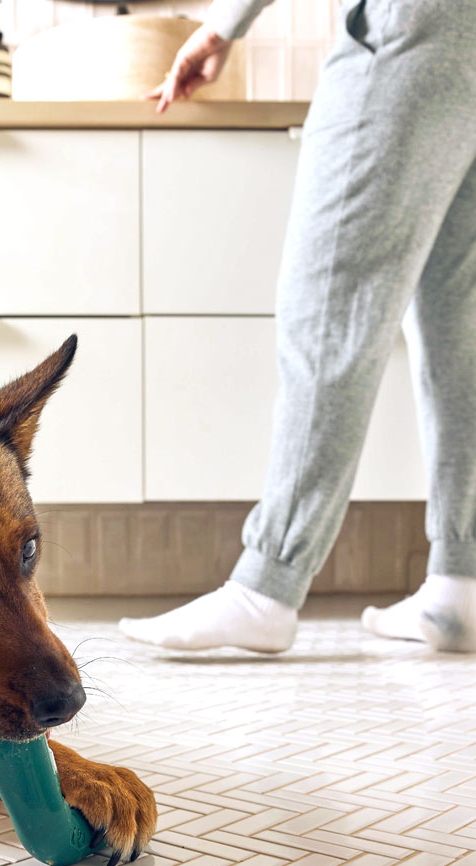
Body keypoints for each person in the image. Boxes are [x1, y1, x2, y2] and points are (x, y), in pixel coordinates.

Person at [119, 0, 476, 654]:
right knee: (459, 325)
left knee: (330, 310)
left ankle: (267, 587)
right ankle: (461, 582)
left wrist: (225, 23)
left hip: (415, 28)